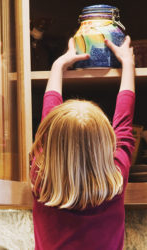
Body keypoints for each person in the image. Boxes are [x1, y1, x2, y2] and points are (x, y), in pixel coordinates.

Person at [30, 35, 135, 250]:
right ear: (106, 143)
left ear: (50, 142)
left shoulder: (41, 178)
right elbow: (124, 124)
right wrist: (128, 64)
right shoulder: (114, 179)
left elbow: (49, 118)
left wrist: (58, 66)